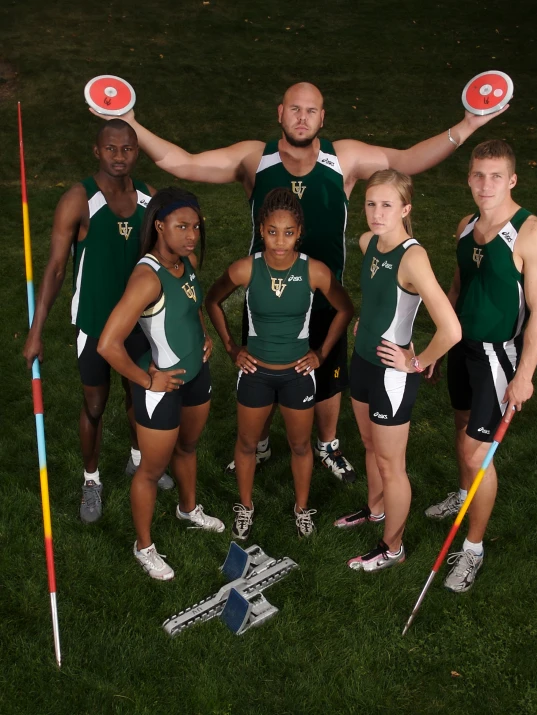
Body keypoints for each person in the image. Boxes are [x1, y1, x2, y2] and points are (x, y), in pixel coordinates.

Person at [91, 82, 505, 483]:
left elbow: (409, 160)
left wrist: (467, 124)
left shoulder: (345, 158)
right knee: (263, 365)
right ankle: (261, 442)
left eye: (311, 110)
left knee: (324, 378)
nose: (302, 117)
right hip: (267, 296)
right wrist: (130, 121)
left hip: (325, 294)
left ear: (322, 117)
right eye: (294, 108)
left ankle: (327, 444)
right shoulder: (255, 159)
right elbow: (181, 162)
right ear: (280, 114)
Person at [22, 119, 174, 527]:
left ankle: (138, 458)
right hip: (94, 324)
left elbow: (170, 259)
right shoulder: (79, 199)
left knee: (139, 397)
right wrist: (36, 332)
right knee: (94, 405)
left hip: (140, 324)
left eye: (127, 149)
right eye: (111, 149)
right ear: (97, 151)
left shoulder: (150, 199)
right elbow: (55, 269)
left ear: (136, 152)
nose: (119, 156)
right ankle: (92, 479)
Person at [424, 140, 537, 592]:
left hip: (498, 355)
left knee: (476, 453)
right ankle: (463, 497)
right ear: (468, 177)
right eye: (479, 175)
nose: (486, 185)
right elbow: (458, 287)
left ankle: (473, 549)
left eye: (496, 176)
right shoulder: (466, 226)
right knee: (460, 425)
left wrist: (524, 376)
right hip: (463, 346)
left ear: (513, 179)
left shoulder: (533, 234)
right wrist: (442, 346)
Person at [205, 188, 354, 539]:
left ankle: (302, 509)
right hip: (255, 374)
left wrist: (320, 353)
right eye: (272, 232)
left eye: (288, 233)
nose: (280, 241)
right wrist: (230, 347)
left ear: (299, 231)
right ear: (261, 230)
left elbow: (345, 308)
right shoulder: (246, 268)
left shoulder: (314, 271)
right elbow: (212, 299)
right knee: (246, 443)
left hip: (296, 376)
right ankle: (246, 506)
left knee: (301, 446)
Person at [332, 170, 461, 571]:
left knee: (392, 465)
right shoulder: (370, 241)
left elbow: (451, 330)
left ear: (406, 209)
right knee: (370, 447)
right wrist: (366, 321)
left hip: (392, 375)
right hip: (363, 360)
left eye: (387, 205)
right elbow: (377, 295)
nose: (376, 212)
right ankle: (375, 510)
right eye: (371, 203)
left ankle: (393, 548)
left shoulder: (413, 257)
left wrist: (417, 362)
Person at [98, 187, 224, 580]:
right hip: (162, 386)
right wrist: (146, 379)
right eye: (182, 226)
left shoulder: (184, 263)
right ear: (159, 226)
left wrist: (204, 336)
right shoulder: (146, 277)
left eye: (196, 227)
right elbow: (107, 344)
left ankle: (188, 509)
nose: (191, 235)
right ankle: (144, 546)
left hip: (195, 375)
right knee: (150, 471)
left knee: (187, 447)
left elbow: (192, 307)